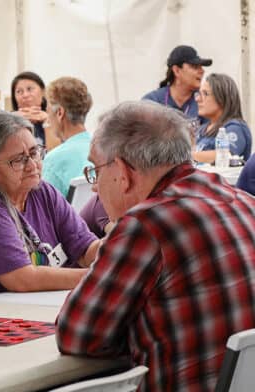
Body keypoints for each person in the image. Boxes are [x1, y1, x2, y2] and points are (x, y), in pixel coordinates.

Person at [56, 100, 255, 392]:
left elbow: (77, 334)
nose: (95, 187)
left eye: (95, 171)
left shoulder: (146, 225)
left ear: (122, 173)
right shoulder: (244, 203)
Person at [0, 111, 100, 301]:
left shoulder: (41, 191)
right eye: (18, 160)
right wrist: (98, 277)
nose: (32, 165)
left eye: (34, 153)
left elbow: (85, 248)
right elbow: (22, 278)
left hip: (34, 308)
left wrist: (117, 252)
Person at [41, 77, 93, 198]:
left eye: (48, 110)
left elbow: (46, 210)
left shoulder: (54, 160)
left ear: (59, 113)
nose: (48, 118)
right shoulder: (101, 147)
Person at [142, 45, 211, 124]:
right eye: (195, 66)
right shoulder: (152, 102)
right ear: (177, 70)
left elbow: (212, 134)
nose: (202, 71)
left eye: (201, 67)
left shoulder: (205, 101)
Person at [193, 73, 252, 163]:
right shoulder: (201, 129)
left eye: (205, 93)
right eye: (198, 93)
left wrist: (185, 156)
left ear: (222, 97)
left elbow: (225, 155)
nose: (197, 99)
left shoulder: (235, 128)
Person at [10, 71, 60, 150]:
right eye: (19, 91)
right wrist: (14, 119)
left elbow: (55, 155)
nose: (25, 95)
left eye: (29, 89)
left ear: (43, 92)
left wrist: (47, 122)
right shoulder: (7, 120)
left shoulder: (56, 119)